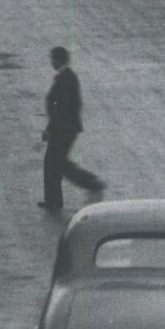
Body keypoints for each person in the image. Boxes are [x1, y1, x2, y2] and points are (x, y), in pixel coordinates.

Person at [38, 47, 105, 211]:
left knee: (54, 164)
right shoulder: (67, 77)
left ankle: (87, 185)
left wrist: (50, 129)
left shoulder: (65, 80)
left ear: (59, 60)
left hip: (63, 130)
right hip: (65, 128)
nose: (52, 62)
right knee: (58, 164)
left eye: (54, 59)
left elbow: (62, 109)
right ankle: (55, 198)